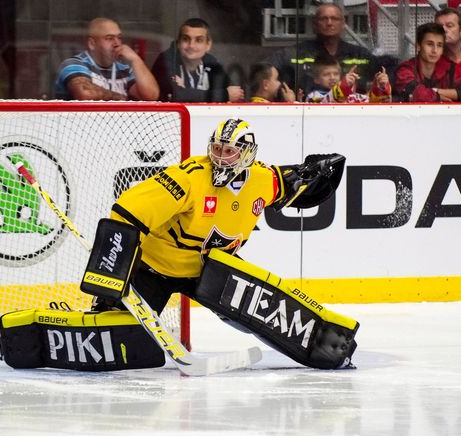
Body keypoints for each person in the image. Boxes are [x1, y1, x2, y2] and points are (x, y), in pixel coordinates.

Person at [81, 118, 357, 369]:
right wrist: (114, 271)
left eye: (230, 152)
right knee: (123, 342)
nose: (221, 158)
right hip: (154, 268)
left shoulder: (263, 180)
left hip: (211, 268)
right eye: (217, 149)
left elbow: (294, 186)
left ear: (247, 154)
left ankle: (331, 346)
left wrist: (319, 176)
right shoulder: (188, 177)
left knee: (263, 315)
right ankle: (102, 312)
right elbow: (128, 210)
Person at [266, 3, 397, 98]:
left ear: (343, 23)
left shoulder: (360, 54)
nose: (329, 23)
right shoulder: (296, 53)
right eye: (324, 18)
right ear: (314, 24)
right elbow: (264, 71)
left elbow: (388, 72)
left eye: (334, 18)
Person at [55, 17, 159, 101]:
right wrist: (121, 98)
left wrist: (135, 59)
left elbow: (151, 96)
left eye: (119, 37)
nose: (117, 43)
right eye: (109, 38)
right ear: (92, 43)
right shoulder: (74, 64)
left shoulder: (124, 69)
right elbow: (86, 93)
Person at [150, 18, 244, 102]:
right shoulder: (166, 60)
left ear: (208, 45)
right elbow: (174, 95)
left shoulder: (211, 62)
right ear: (178, 43)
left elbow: (236, 94)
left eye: (199, 40)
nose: (191, 45)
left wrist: (190, 93)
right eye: (186, 39)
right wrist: (224, 95)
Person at [394, 22, 461, 102]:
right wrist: (440, 97)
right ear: (418, 46)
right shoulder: (405, 69)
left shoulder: (449, 69)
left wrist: (437, 92)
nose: (435, 50)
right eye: (430, 44)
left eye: (439, 45)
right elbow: (417, 93)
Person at [305, 53, 391, 103]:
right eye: (326, 74)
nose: (332, 77)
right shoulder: (312, 97)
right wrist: (344, 86)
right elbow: (326, 102)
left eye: (336, 74)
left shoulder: (351, 96)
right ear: (316, 79)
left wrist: (380, 86)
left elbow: (372, 103)